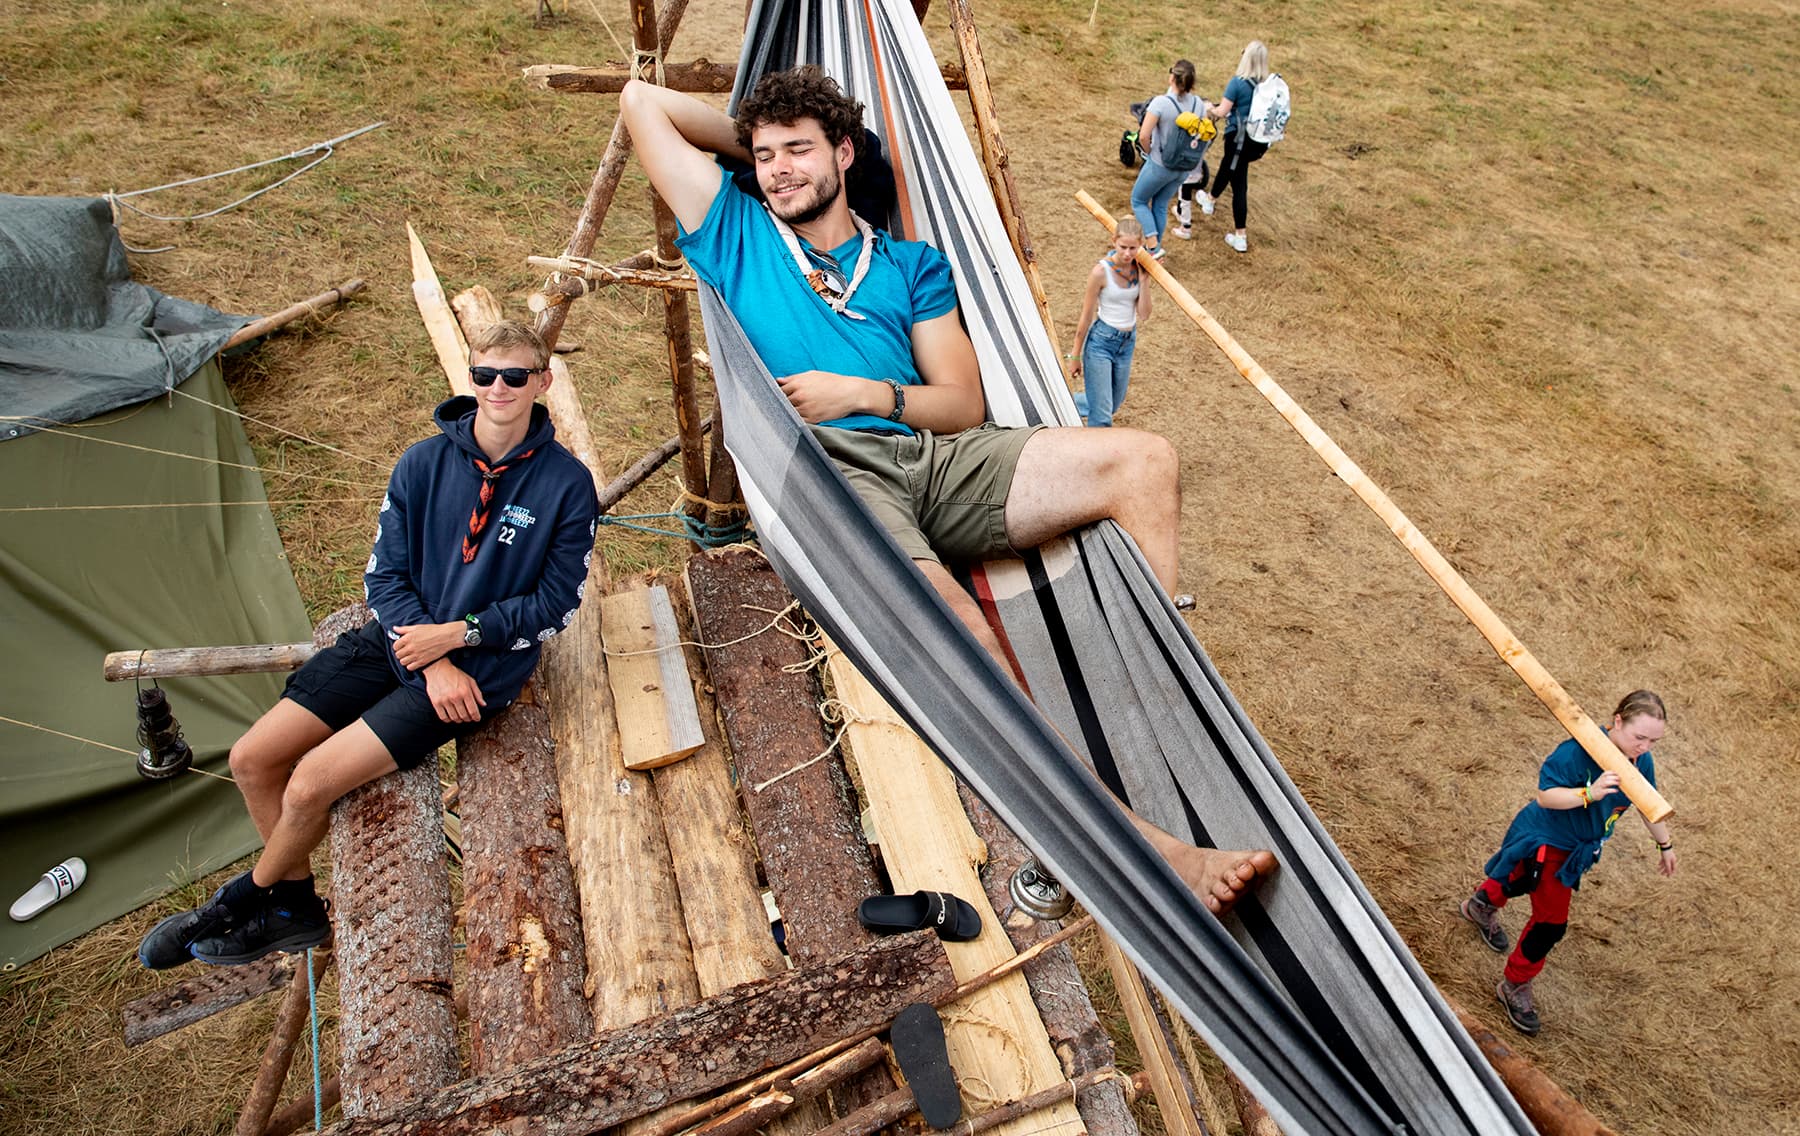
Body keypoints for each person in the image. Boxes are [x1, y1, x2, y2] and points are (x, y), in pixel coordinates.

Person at [618, 65, 1274, 914]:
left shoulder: (909, 264)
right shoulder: (733, 227)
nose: (779, 168)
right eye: (766, 152)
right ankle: (1145, 843)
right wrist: (751, 144)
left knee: (1144, 460)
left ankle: (1148, 676)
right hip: (836, 479)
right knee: (963, 630)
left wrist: (863, 393)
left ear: (845, 154)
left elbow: (961, 405)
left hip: (934, 458)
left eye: (800, 150)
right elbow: (642, 104)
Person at [138, 321, 601, 968]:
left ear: (542, 382)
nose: (499, 388)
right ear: (469, 380)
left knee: (306, 786)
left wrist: (458, 641)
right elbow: (383, 575)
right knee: (251, 758)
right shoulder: (422, 463)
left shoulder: (567, 486)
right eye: (484, 374)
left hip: (475, 674)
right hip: (399, 642)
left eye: (515, 376)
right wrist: (429, 651)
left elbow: (557, 604)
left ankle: (235, 902)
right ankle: (294, 905)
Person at [1458, 691, 1678, 1035]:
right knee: (1550, 924)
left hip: (1575, 848)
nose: (1646, 747)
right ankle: (1514, 984)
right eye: (1640, 737)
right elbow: (1545, 796)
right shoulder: (1577, 752)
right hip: (1546, 839)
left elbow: (1648, 802)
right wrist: (1589, 794)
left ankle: (1481, 905)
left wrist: (1665, 844)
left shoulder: (1640, 761)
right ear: (1617, 721)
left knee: (1517, 879)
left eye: (1654, 740)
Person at [1068, 218, 1152, 427]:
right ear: (1113, 241)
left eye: (1133, 248)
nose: (1127, 253)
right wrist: (1075, 356)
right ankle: (1093, 455)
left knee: (1111, 404)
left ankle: (1060, 402)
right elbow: (1086, 315)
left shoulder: (1139, 270)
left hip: (1126, 342)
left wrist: (1144, 282)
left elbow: (1144, 314)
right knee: (1102, 416)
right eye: (1123, 247)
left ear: (1140, 245)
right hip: (1101, 343)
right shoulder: (1100, 272)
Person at [1196, 41, 1272, 254]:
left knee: (1239, 185)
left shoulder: (1237, 83)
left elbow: (1221, 112)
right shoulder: (1266, 87)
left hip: (1237, 139)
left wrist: (1209, 107)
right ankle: (1210, 199)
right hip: (1256, 142)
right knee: (1232, 169)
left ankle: (1240, 235)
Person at [1128, 60, 1206, 259]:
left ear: (1172, 77)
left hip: (1160, 164)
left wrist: (1147, 153)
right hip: (1184, 168)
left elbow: (1144, 135)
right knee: (1161, 204)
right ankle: (1156, 249)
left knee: (1138, 200)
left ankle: (1153, 247)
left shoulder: (1161, 103)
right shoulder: (1199, 105)